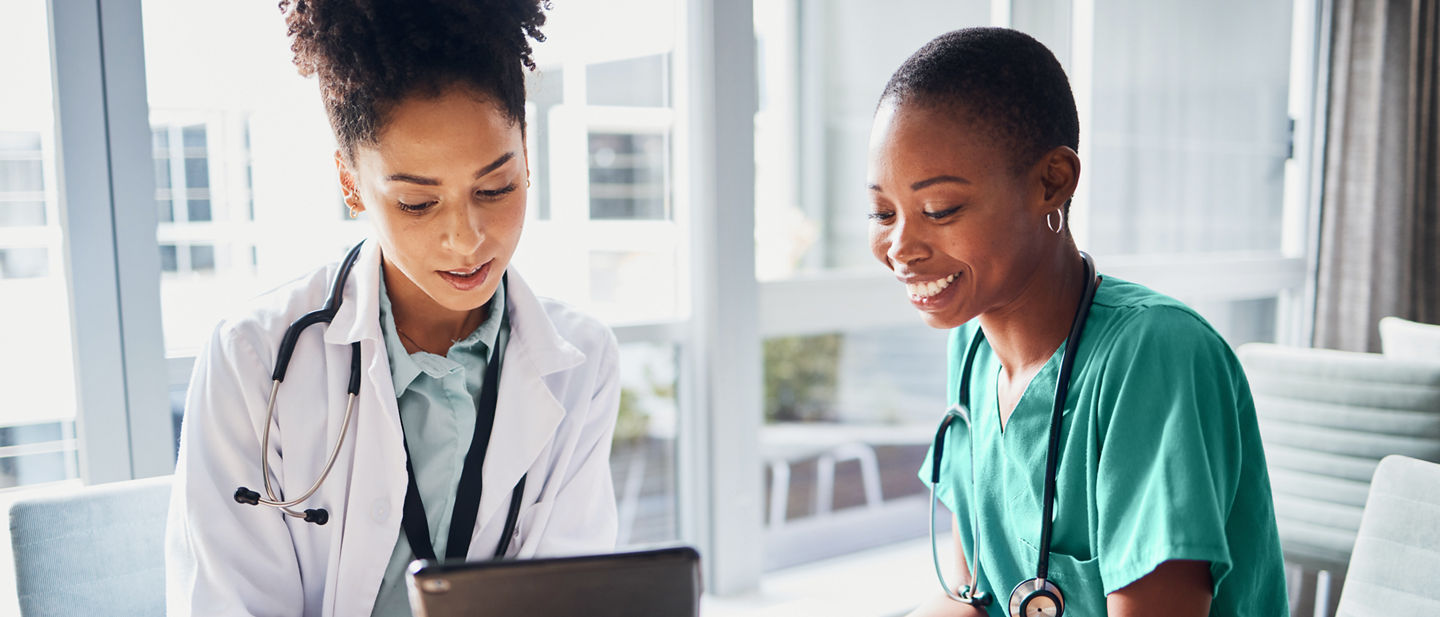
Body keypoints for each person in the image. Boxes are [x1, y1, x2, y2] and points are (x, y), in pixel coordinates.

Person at [164, 2, 621, 615]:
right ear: (351, 183)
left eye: (495, 188)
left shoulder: (582, 362)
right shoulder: (251, 360)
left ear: (526, 155)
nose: (466, 239)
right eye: (416, 203)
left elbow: (574, 593)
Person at [865, 28, 1288, 616]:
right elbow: (970, 598)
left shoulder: (1156, 356)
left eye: (940, 209)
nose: (900, 245)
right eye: (883, 211)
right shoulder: (972, 343)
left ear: (1051, 182)